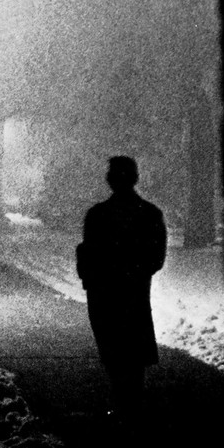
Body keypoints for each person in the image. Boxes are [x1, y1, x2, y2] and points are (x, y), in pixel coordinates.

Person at [76, 156, 167, 422]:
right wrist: (132, 272)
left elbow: (88, 252)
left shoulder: (98, 214)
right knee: (133, 353)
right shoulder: (149, 214)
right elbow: (156, 258)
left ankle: (122, 406)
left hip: (105, 292)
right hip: (133, 292)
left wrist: (95, 276)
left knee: (112, 350)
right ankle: (132, 407)